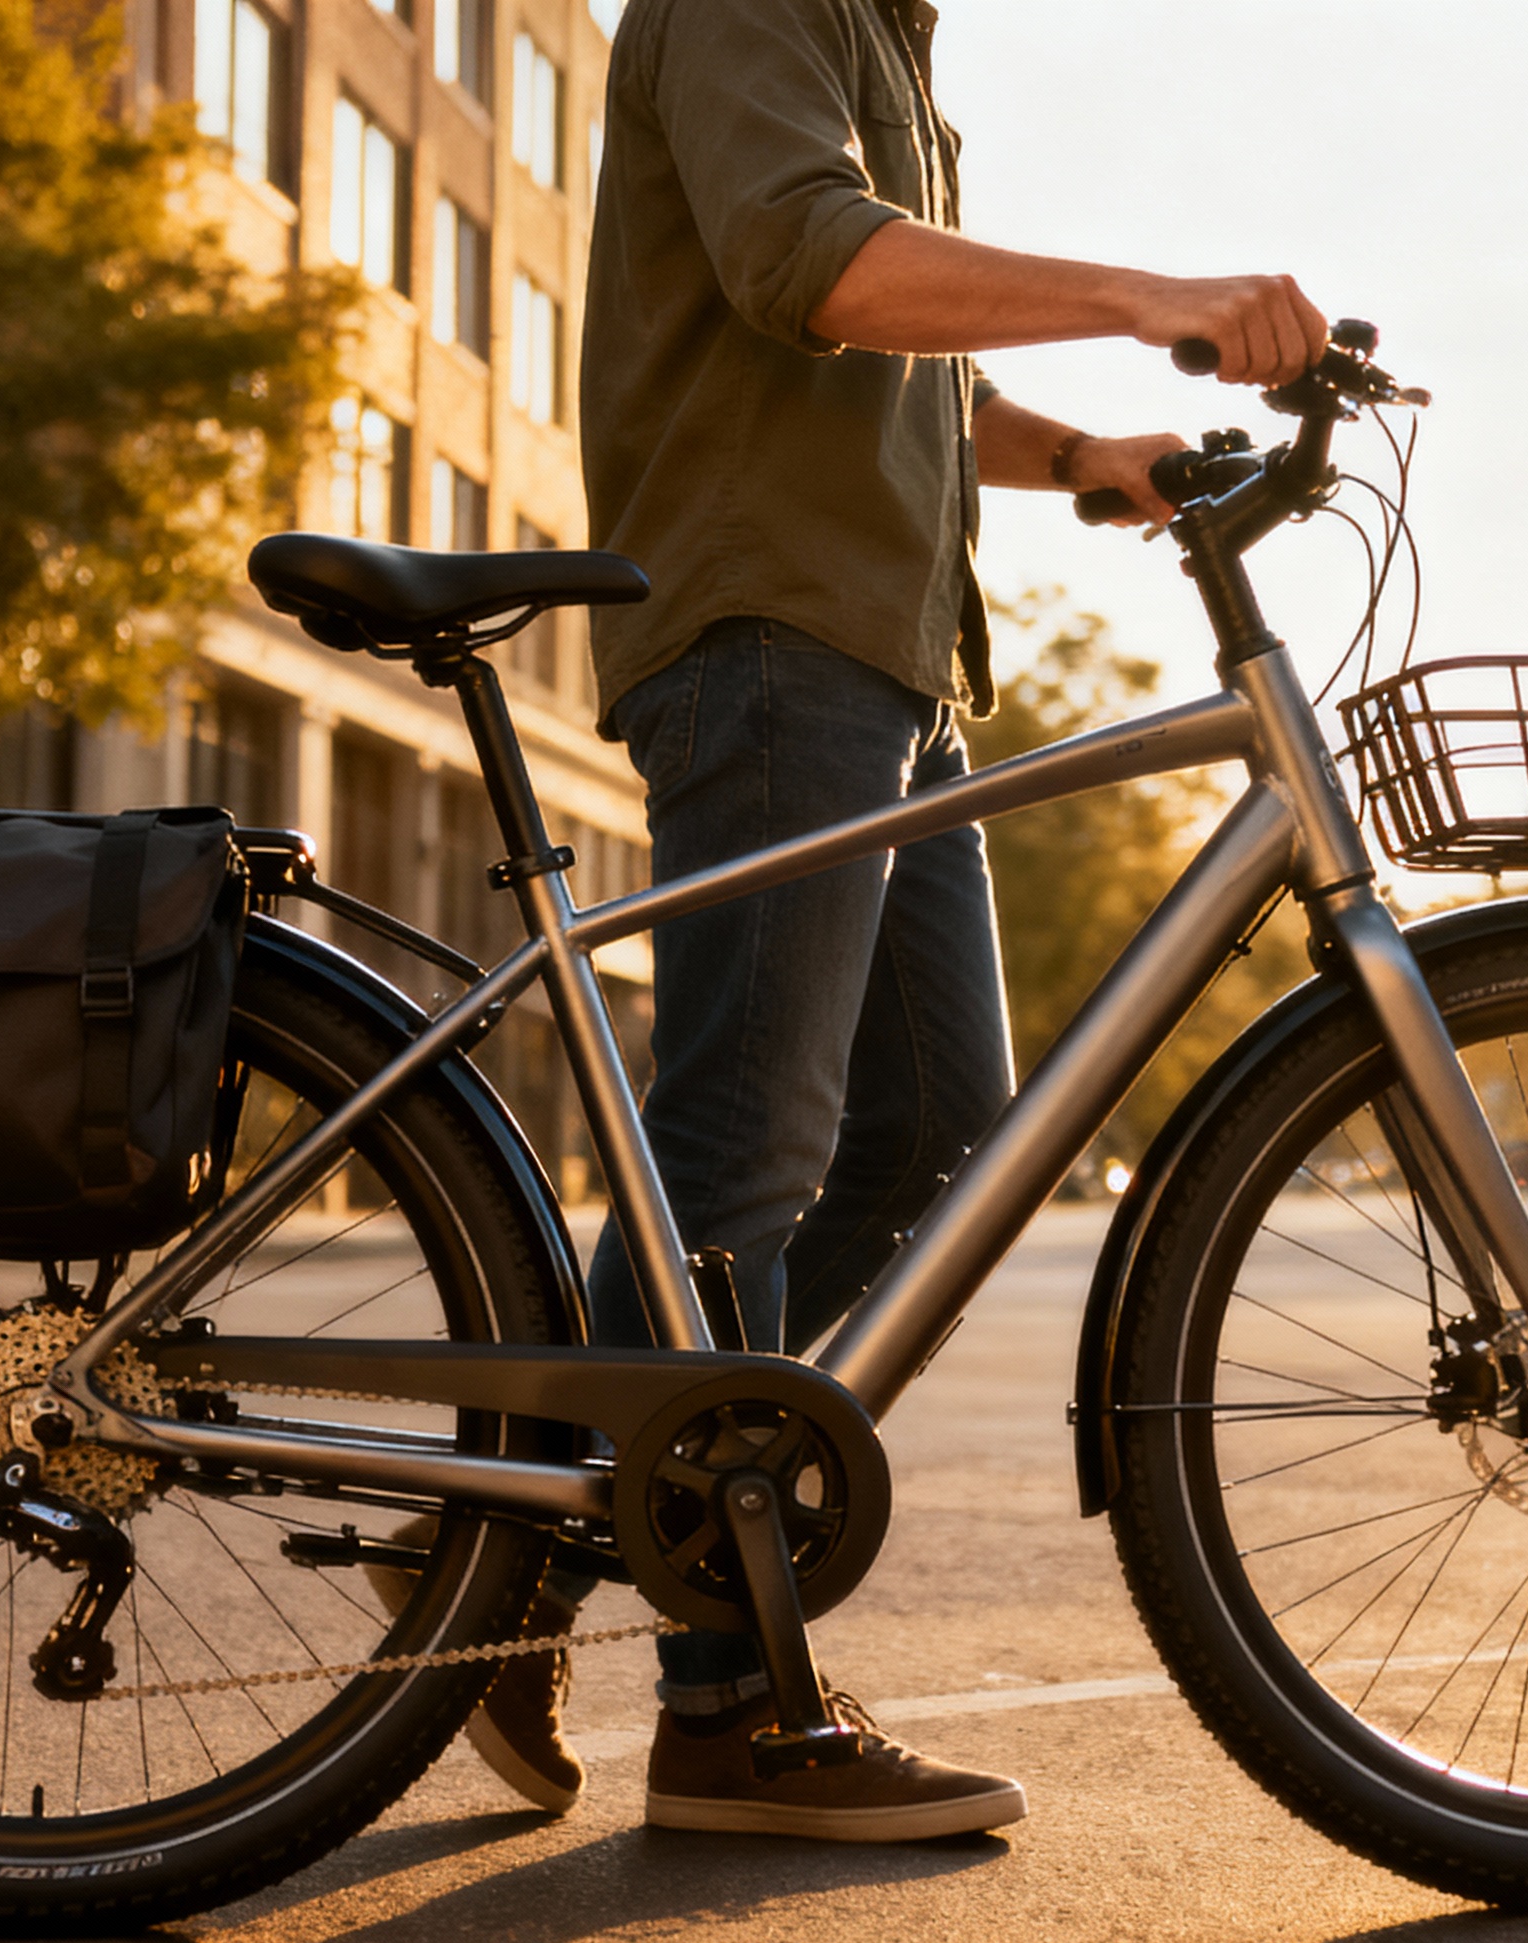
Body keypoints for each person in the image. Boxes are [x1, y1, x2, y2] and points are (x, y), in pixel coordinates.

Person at [429, 0, 1327, 1843]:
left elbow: (904, 363)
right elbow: (813, 269)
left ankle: (524, 1527)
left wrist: (1089, 455)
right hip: (778, 641)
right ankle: (722, 1698)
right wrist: (1151, 287)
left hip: (892, 667)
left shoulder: (891, 51)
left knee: (931, 1138)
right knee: (746, 1145)